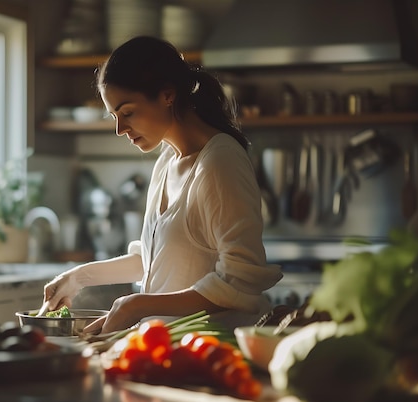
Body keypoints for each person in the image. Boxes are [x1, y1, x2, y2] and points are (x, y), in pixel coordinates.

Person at [42, 36, 282, 334]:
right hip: (165, 348)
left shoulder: (220, 162)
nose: (119, 129)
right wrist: (79, 277)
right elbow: (154, 259)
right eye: (115, 116)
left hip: (212, 350)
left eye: (127, 112)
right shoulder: (167, 161)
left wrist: (138, 305)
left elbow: (240, 281)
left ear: (167, 95)